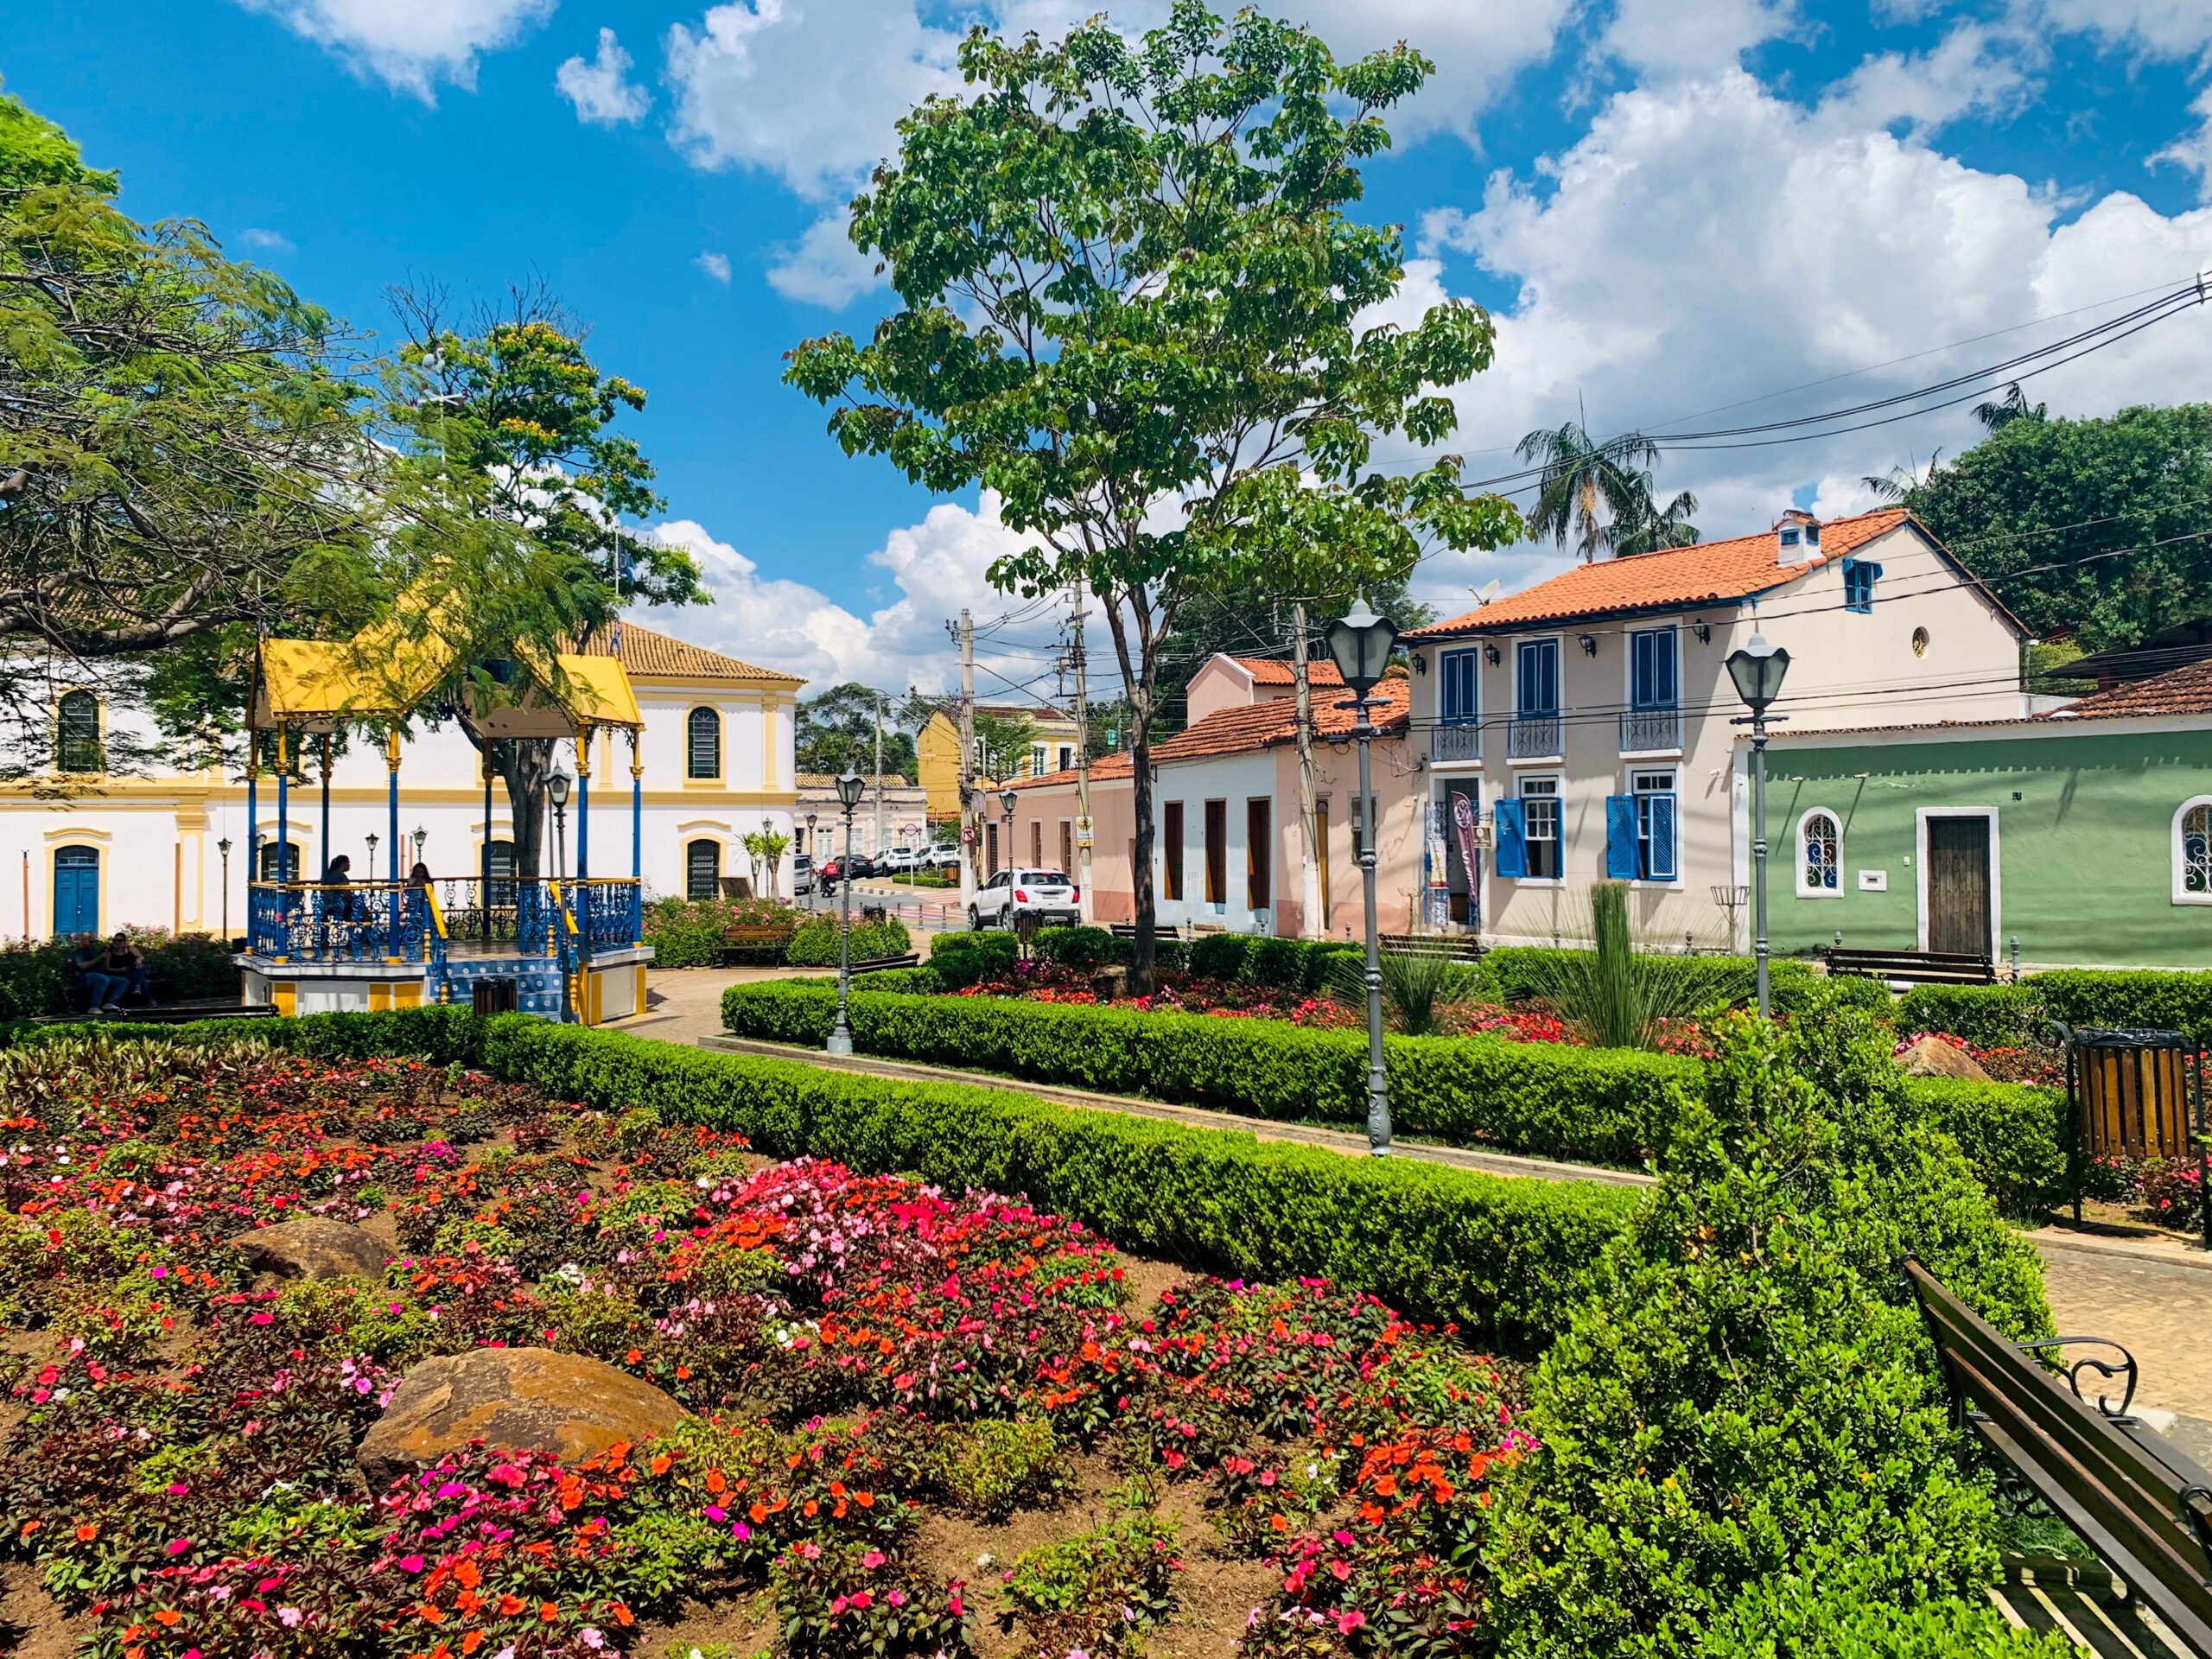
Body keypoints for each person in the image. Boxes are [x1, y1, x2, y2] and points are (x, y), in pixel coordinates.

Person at [71, 934, 122, 1013]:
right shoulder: (78, 953)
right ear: (82, 941)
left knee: (123, 981)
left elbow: (105, 965)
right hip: (86, 976)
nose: (93, 944)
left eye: (94, 942)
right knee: (103, 979)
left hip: (101, 975)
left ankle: (110, 1003)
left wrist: (105, 954)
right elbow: (83, 966)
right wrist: (100, 957)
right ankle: (94, 1006)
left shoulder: (94, 951)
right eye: (91, 942)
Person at [103, 933, 149, 1007]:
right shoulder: (109, 952)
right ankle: (148, 998)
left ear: (124, 942)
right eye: (114, 940)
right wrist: (119, 970)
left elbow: (141, 957)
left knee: (140, 968)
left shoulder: (130, 949)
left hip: (131, 972)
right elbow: (108, 969)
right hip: (118, 974)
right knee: (141, 979)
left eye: (119, 941)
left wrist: (139, 959)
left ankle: (138, 988)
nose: (116, 942)